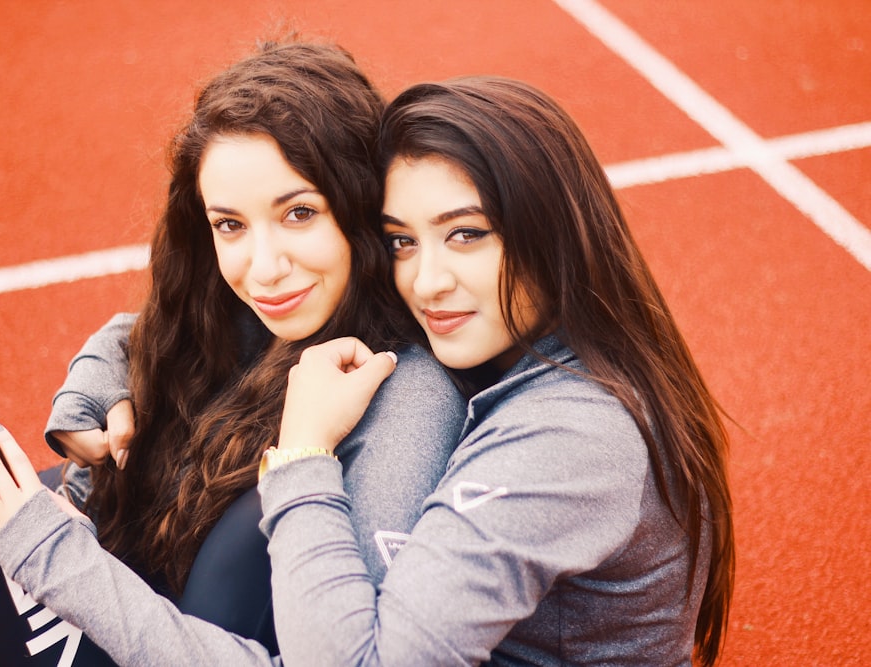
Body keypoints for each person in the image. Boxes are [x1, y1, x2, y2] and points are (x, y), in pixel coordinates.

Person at [0, 41, 464, 666]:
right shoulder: (265, 315)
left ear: (359, 203)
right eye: (230, 225)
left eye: (299, 213)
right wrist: (96, 381)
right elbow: (144, 333)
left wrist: (49, 550)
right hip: (141, 609)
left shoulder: (409, 400)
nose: (262, 268)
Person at [258, 77, 736, 666]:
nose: (426, 281)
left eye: (466, 234)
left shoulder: (574, 440)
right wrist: (108, 374)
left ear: (551, 233)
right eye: (403, 241)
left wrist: (302, 457)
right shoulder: (542, 351)